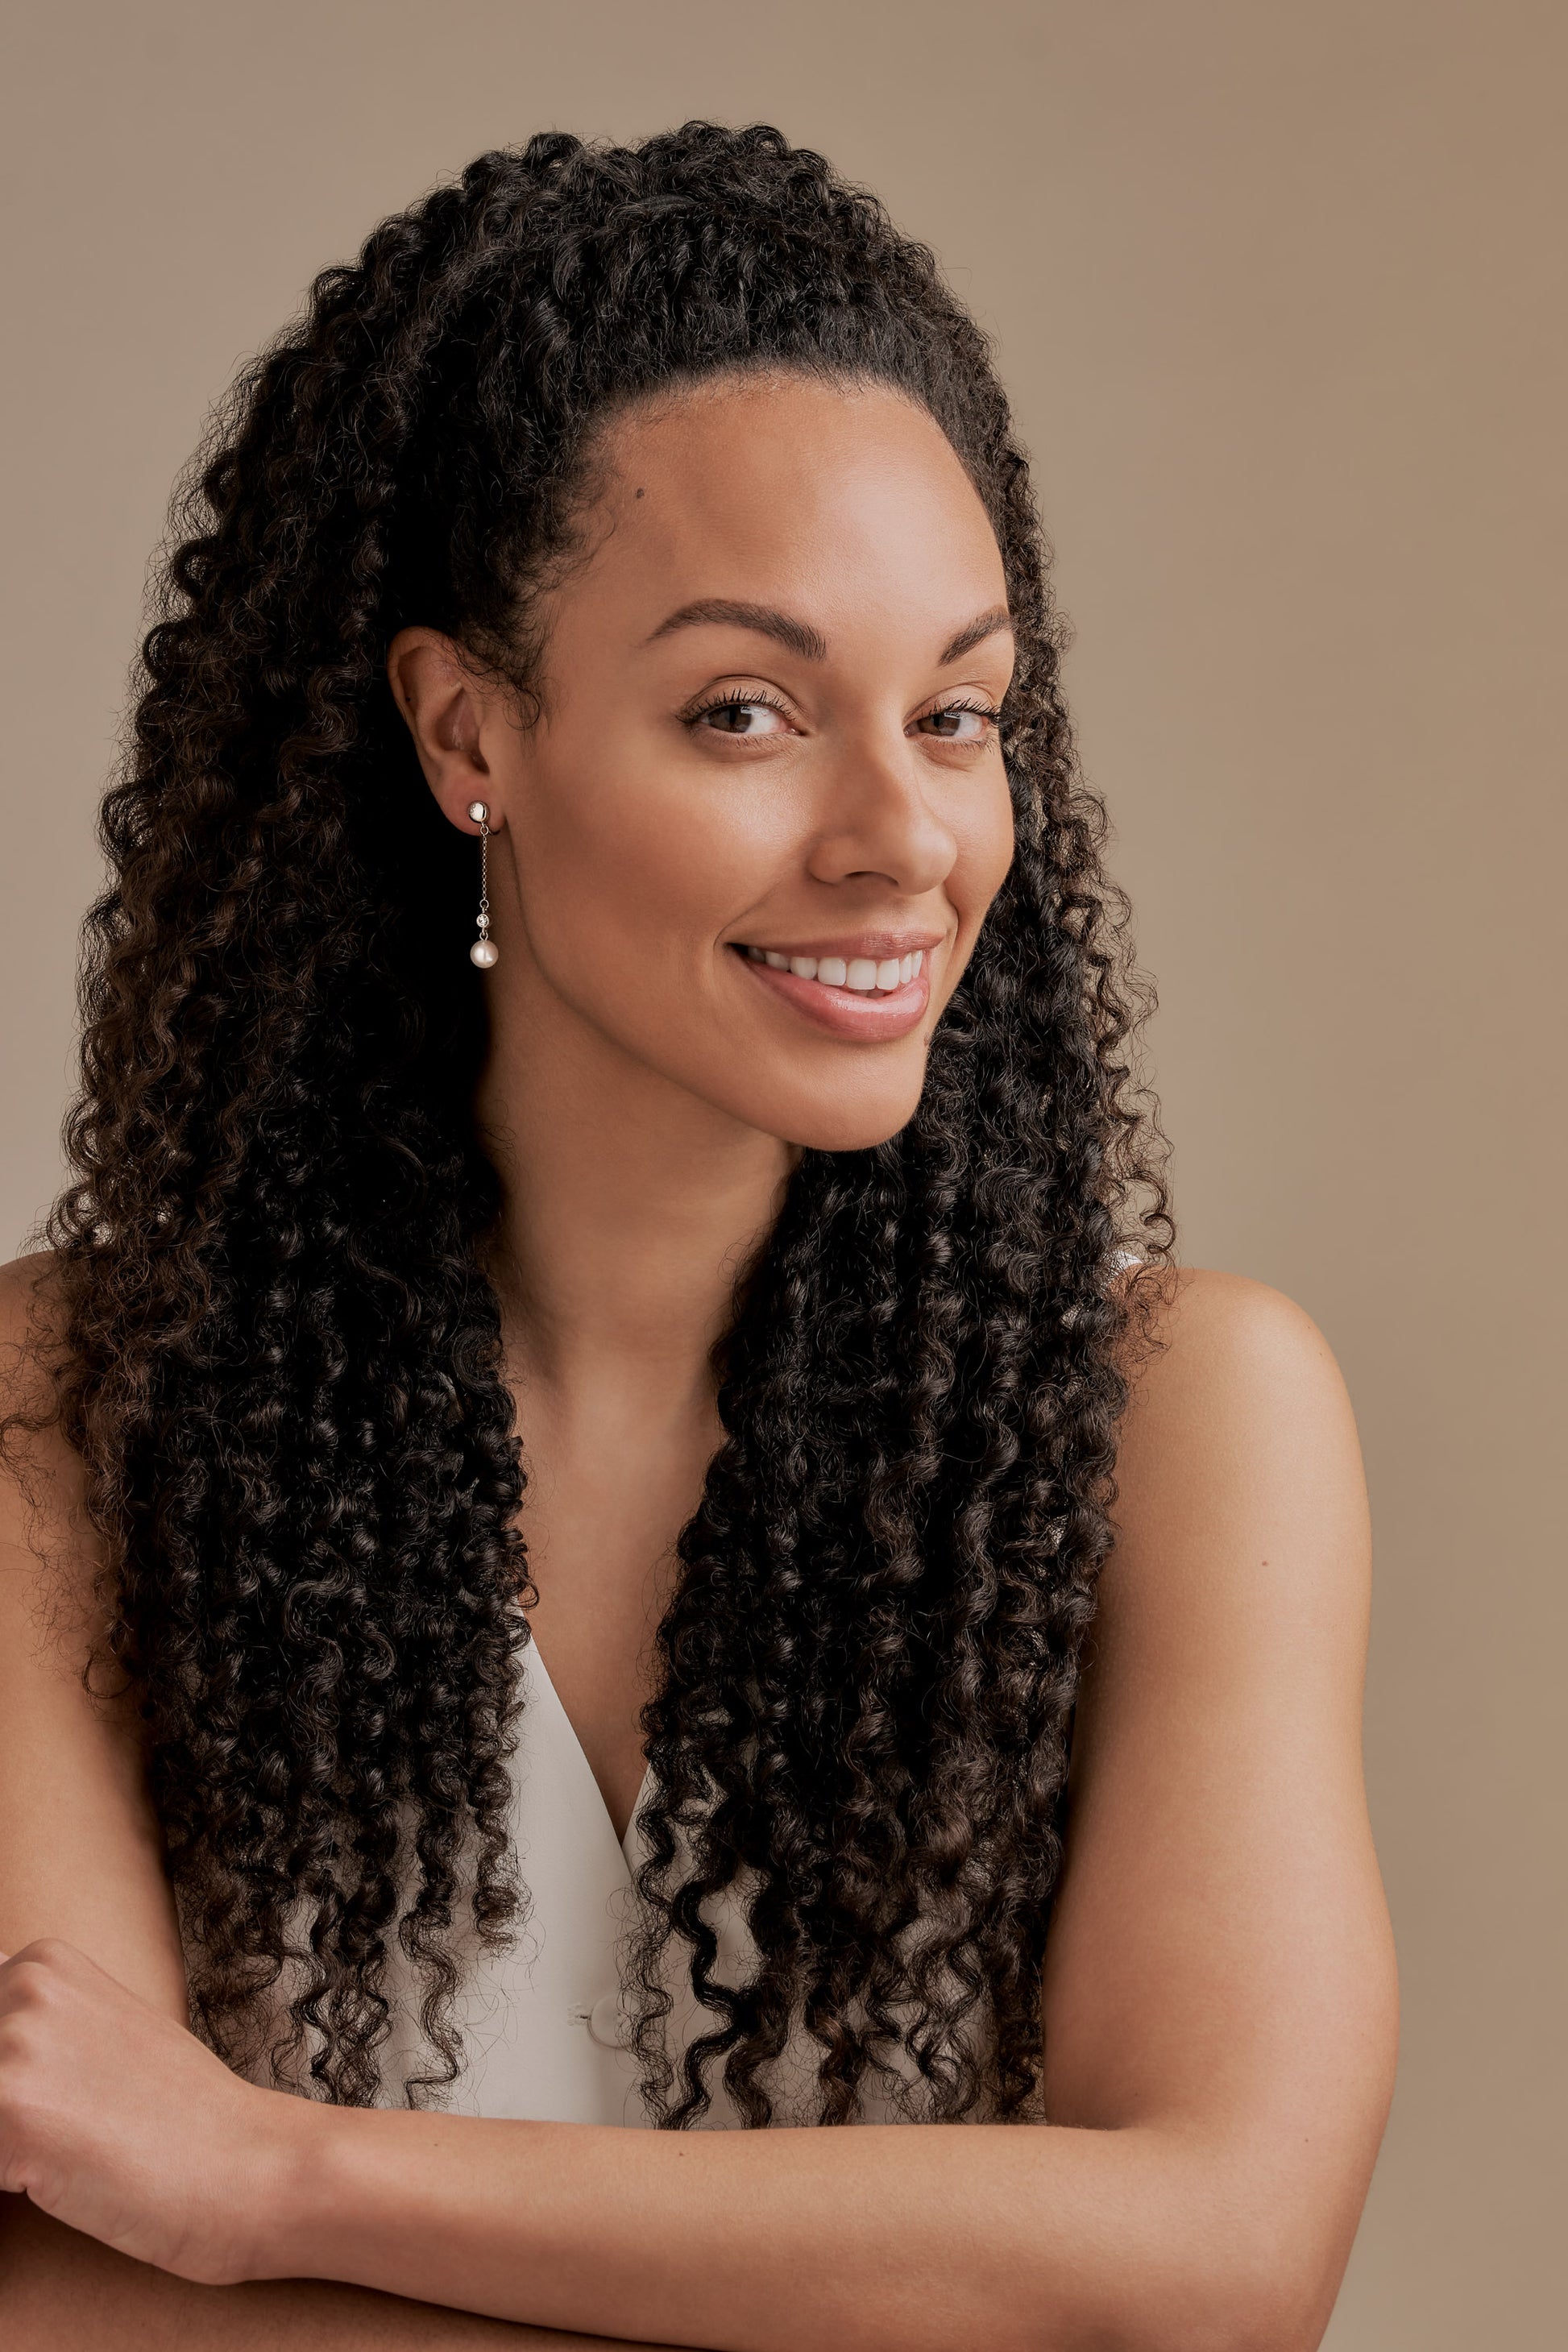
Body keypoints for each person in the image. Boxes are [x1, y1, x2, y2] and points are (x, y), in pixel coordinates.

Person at [0, 123, 1396, 2350]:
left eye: (956, 714)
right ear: (468, 731)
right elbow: (64, 2287)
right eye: (745, 711)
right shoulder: (68, 1413)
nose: (902, 835)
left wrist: (272, 2180)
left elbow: (1219, 2272)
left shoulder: (1185, 1422)